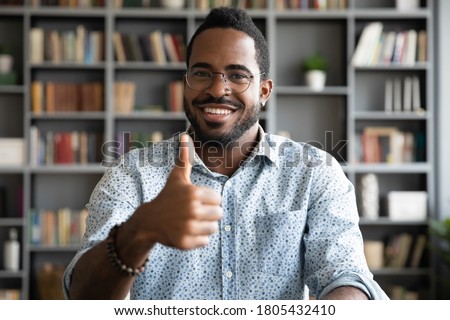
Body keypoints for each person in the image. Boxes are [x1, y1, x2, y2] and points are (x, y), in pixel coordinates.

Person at [63, 6, 389, 300]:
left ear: (264, 91)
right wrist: (138, 231)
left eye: (237, 75)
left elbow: (346, 276)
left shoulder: (314, 172)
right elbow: (83, 299)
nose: (218, 90)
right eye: (202, 73)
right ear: (186, 83)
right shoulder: (132, 174)